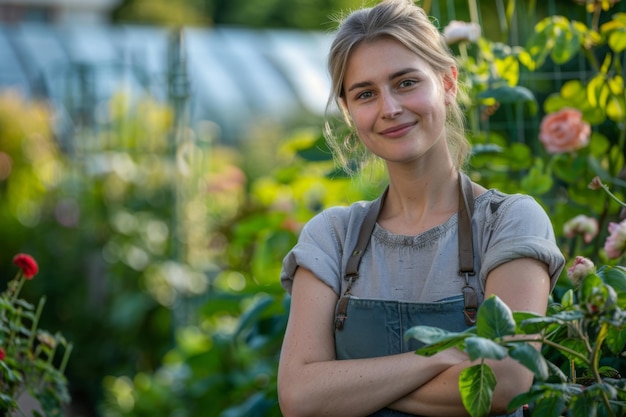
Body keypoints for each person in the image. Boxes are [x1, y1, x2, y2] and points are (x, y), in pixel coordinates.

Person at [277, 1, 565, 416]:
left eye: (406, 82)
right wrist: (444, 357)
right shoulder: (332, 237)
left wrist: (343, 386)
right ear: (349, 112)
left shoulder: (508, 222)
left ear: (447, 83)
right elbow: (299, 398)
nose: (389, 108)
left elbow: (505, 381)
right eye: (365, 94)